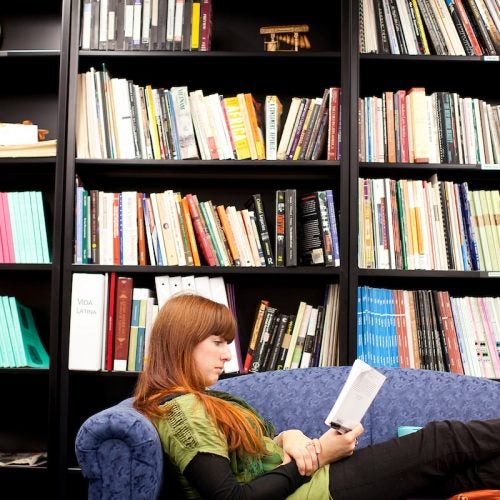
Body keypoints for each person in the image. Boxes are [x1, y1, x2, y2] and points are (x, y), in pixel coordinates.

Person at [133, 293, 500, 500]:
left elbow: (245, 457)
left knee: (462, 477)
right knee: (443, 439)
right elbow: (232, 499)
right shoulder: (181, 410)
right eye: (217, 343)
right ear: (182, 343)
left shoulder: (198, 402)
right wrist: (321, 453)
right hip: (314, 491)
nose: (228, 355)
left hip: (314, 482)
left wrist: (285, 437)